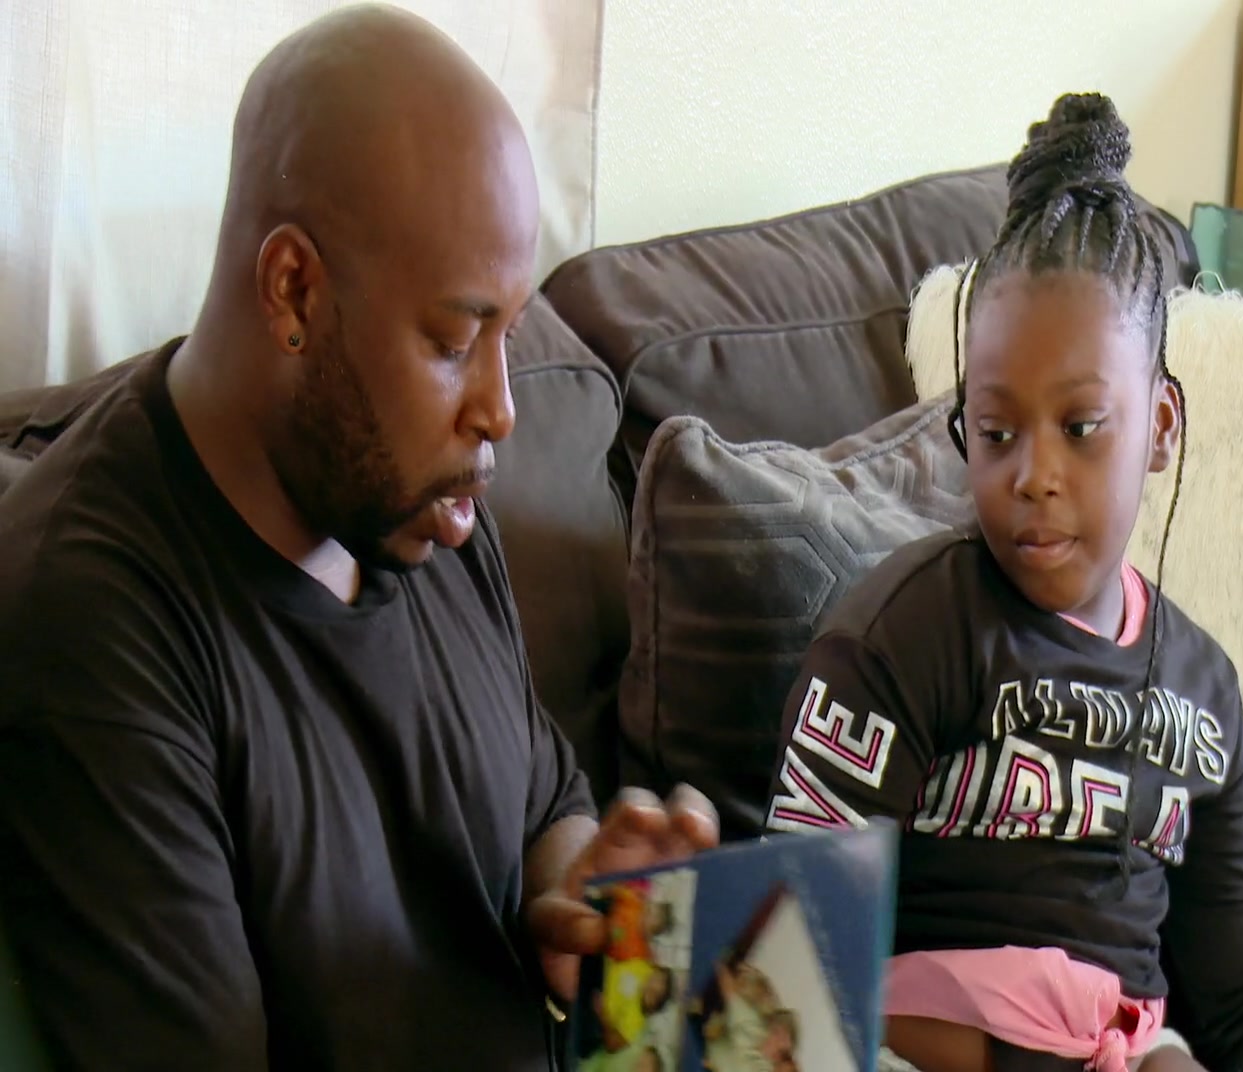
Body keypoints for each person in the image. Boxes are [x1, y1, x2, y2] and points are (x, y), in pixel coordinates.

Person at [0, 6, 717, 1071]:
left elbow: (539, 797)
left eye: (509, 334)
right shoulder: (93, 626)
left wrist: (582, 884)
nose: (501, 409)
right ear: (294, 288)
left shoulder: (415, 496)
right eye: (456, 338)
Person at [763, 93, 1243, 1072]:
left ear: (1163, 427)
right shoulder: (898, 642)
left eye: (1082, 426)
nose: (1035, 475)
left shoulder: (1205, 697)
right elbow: (786, 965)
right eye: (997, 432)